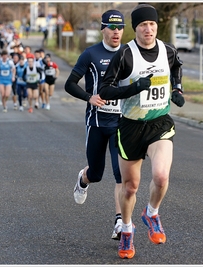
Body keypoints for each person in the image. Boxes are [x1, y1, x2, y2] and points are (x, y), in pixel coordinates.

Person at [98, 4, 185, 259]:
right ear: (135, 29)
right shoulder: (125, 54)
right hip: (130, 126)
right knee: (130, 187)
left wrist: (177, 90)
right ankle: (126, 230)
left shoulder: (167, 50)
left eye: (152, 25)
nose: (148, 29)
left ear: (157, 26)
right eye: (143, 25)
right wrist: (134, 88)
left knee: (160, 176)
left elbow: (177, 67)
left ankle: (152, 212)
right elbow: (105, 90)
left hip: (159, 122)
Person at [64, 9, 125, 241]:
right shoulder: (91, 54)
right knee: (97, 173)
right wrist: (89, 97)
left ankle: (119, 222)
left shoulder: (130, 53)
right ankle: (83, 179)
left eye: (120, 28)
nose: (116, 32)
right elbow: (69, 84)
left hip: (121, 123)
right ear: (103, 29)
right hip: (97, 123)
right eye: (111, 27)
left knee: (122, 175)